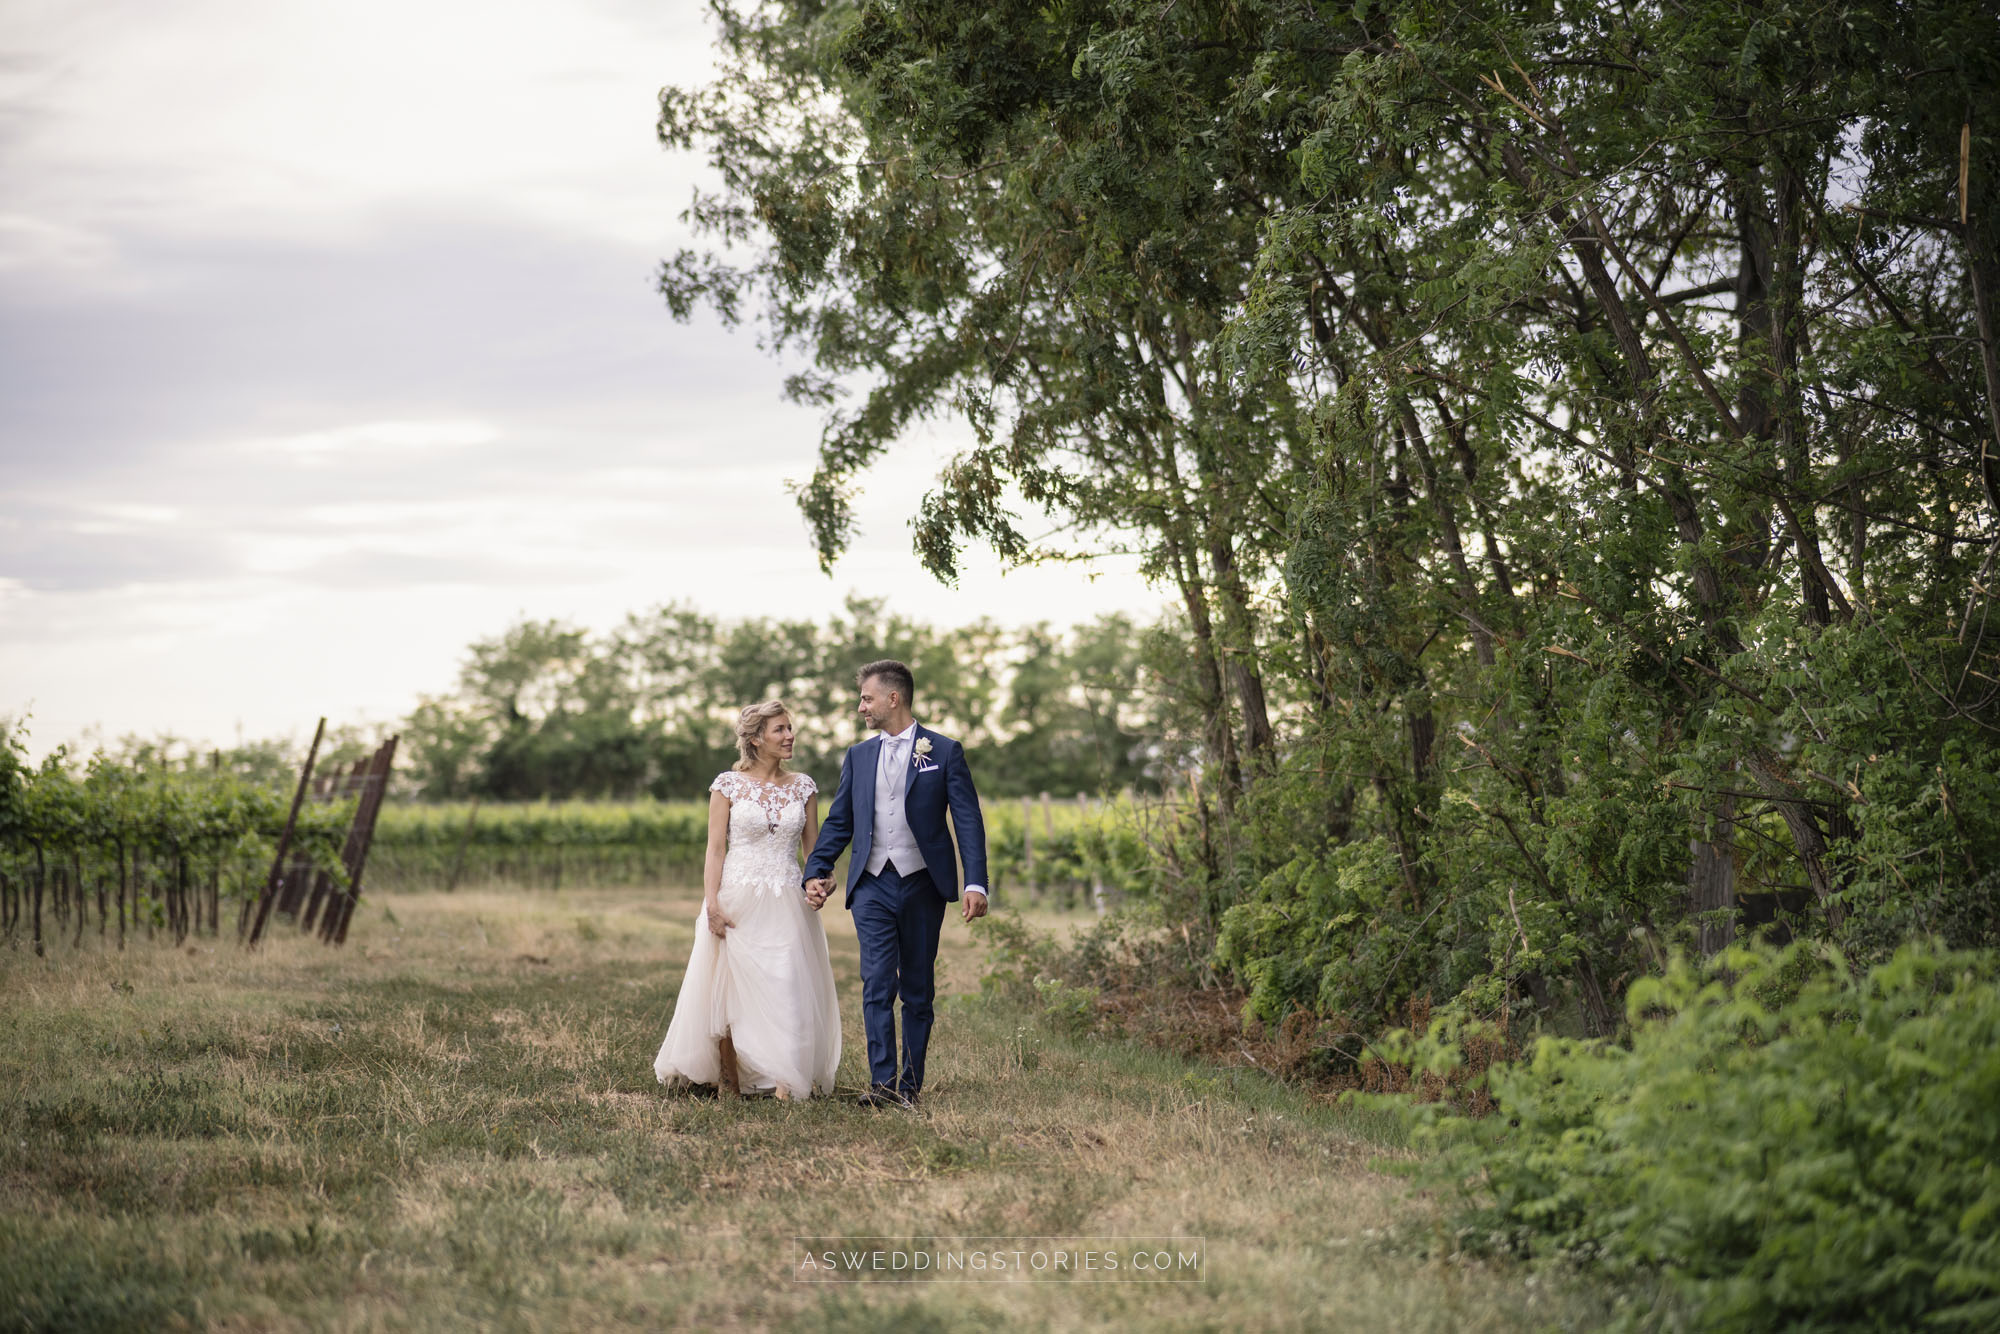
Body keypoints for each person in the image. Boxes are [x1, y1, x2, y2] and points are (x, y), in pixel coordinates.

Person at [802, 660, 988, 1108]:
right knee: (877, 983)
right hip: (871, 885)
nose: (860, 706)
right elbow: (840, 819)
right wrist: (816, 868)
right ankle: (882, 1085)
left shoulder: (943, 751)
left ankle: (911, 1085)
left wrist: (976, 882)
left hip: (923, 883)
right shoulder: (858, 756)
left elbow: (967, 820)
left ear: (893, 698)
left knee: (918, 988)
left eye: (866, 697)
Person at [654, 701, 840, 1099]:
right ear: (756, 739)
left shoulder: (803, 787)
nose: (790, 735)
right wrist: (711, 904)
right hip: (736, 896)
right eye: (780, 730)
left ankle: (788, 1081)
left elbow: (813, 852)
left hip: (788, 897)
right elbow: (715, 850)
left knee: (788, 983)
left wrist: (824, 880)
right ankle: (729, 1081)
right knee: (730, 989)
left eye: (790, 728)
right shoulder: (728, 785)